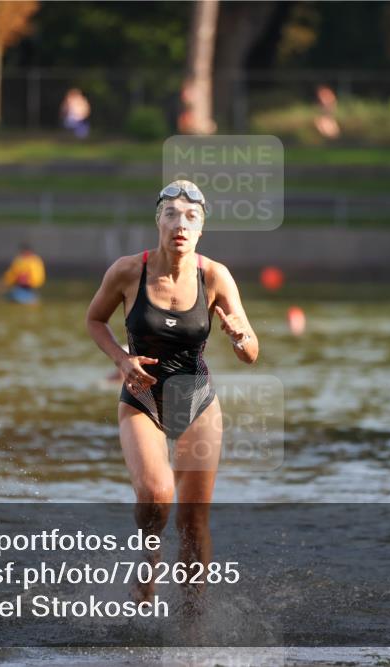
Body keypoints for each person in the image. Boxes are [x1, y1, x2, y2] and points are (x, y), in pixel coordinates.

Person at [85, 179, 258, 606]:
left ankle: (193, 618)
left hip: (197, 400)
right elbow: (95, 320)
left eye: (191, 218)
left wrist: (240, 337)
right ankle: (149, 555)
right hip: (142, 398)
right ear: (158, 222)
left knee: (194, 518)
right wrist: (121, 360)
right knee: (157, 496)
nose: (180, 225)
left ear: (201, 230)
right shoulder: (128, 271)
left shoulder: (215, 276)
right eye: (172, 216)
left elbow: (250, 353)